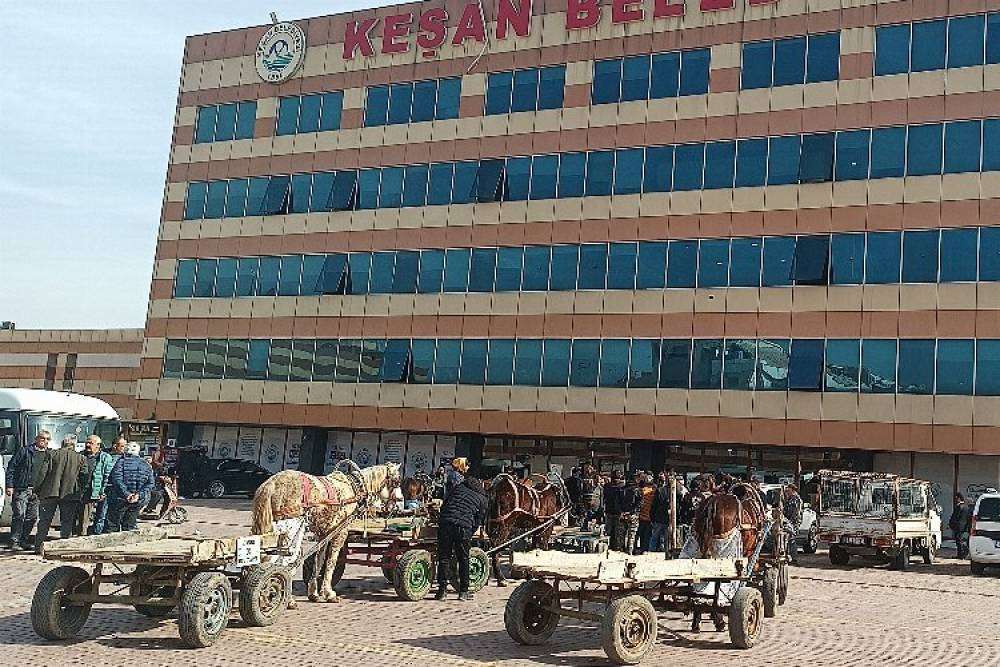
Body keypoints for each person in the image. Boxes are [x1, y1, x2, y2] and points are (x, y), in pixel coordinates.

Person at [434, 475, 488, 601]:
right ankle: (463, 592)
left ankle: (442, 591)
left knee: (444, 557)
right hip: (463, 527)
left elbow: (444, 505)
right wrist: (470, 532)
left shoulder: (457, 488)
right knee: (463, 559)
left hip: (446, 524)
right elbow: (478, 520)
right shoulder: (482, 498)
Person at [33, 435, 88, 553]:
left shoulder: (52, 454)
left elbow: (42, 474)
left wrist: (37, 489)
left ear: (62, 443)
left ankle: (38, 547)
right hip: (70, 494)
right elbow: (84, 477)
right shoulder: (80, 458)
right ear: (74, 445)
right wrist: (80, 491)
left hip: (49, 492)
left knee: (44, 521)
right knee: (67, 522)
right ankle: (64, 548)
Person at [4, 431, 50, 550]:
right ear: (36, 439)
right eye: (42, 438)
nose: (45, 441)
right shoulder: (25, 451)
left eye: (47, 439)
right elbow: (11, 467)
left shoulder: (49, 454)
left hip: (37, 491)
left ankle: (23, 540)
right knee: (19, 515)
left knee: (32, 517)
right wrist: (9, 485)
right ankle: (14, 541)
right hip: (22, 488)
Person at [107, 442, 155, 532]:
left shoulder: (121, 462)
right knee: (129, 527)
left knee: (112, 526)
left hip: (120, 499)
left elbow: (117, 480)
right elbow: (150, 483)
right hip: (137, 501)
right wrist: (138, 495)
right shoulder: (146, 464)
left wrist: (127, 494)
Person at [77, 435, 114, 535]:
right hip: (80, 491)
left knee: (94, 517)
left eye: (91, 443)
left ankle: (85, 537)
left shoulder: (105, 457)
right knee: (80, 517)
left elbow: (107, 476)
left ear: (98, 445)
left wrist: (103, 491)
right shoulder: (80, 455)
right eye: (87, 442)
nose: (88, 445)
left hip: (95, 492)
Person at [603, 470, 640, 553]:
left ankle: (619, 549)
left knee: (620, 534)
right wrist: (632, 511)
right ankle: (629, 551)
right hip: (631, 515)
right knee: (631, 535)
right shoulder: (637, 490)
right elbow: (639, 503)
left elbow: (616, 502)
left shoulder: (620, 489)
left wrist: (622, 511)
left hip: (620, 514)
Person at [782, 484, 805, 565]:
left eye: (788, 490)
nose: (787, 492)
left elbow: (797, 513)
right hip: (787, 521)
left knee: (791, 540)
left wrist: (790, 522)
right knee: (786, 540)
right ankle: (788, 557)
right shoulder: (789, 499)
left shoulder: (797, 499)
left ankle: (794, 559)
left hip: (793, 522)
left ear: (793, 490)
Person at [636, 473, 656, 553]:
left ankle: (641, 548)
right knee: (648, 535)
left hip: (642, 516)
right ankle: (645, 548)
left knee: (641, 534)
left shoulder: (642, 490)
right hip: (650, 516)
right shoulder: (653, 491)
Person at [949, 493, 973, 559]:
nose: (955, 500)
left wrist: (952, 524)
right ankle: (962, 554)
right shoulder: (966, 507)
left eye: (956, 498)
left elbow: (955, 517)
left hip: (958, 526)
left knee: (958, 541)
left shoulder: (959, 507)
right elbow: (968, 518)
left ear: (959, 498)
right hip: (963, 527)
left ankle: (960, 555)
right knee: (960, 540)